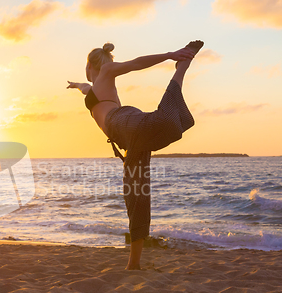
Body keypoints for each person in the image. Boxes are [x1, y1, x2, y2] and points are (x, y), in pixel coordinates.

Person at [67, 40, 204, 270]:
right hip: (129, 140)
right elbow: (84, 87)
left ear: (90, 64)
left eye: (85, 68)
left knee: (165, 121)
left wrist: (171, 54)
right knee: (136, 195)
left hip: (123, 122)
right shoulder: (94, 88)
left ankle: (181, 68)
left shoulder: (107, 71)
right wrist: (75, 84)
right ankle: (134, 263)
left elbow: (136, 63)